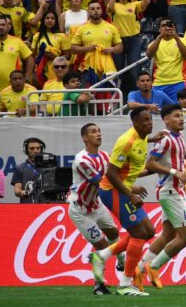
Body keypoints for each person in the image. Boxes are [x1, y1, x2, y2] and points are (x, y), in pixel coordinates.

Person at [137, 104, 186, 290]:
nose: (181, 119)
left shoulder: (178, 136)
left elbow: (180, 152)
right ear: (166, 120)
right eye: (177, 116)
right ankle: (153, 267)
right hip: (170, 191)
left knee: (168, 235)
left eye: (182, 115)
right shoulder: (165, 139)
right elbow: (151, 163)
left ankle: (137, 272)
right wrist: (174, 172)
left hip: (176, 191)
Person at [99, 106, 160, 296]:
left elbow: (140, 144)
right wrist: (130, 193)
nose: (149, 123)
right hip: (112, 191)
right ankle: (125, 284)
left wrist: (153, 138)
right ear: (135, 123)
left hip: (123, 189)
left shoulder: (141, 137)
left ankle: (102, 255)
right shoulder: (127, 141)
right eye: (145, 120)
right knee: (139, 233)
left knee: (148, 231)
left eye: (150, 120)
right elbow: (110, 172)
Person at [69, 124, 121, 295]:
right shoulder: (81, 160)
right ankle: (98, 285)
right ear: (85, 138)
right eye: (93, 132)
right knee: (102, 245)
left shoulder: (105, 156)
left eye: (99, 131)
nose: (98, 134)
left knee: (113, 233)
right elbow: (101, 182)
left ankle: (121, 262)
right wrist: (129, 190)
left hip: (96, 205)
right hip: (80, 210)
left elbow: (114, 175)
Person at [12, 137, 45, 203]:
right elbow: (17, 191)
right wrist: (25, 192)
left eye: (38, 148)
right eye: (32, 148)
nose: (35, 151)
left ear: (41, 150)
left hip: (46, 208)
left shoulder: (49, 168)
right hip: (27, 209)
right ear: (26, 150)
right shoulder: (20, 168)